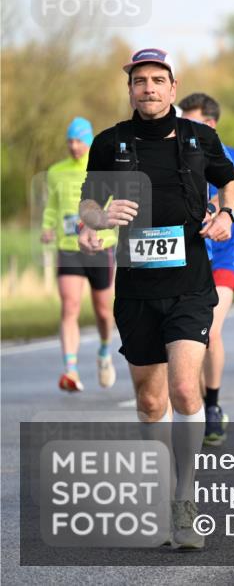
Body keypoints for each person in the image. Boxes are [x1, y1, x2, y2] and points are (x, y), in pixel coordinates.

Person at [78, 48, 234, 550]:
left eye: (157, 80)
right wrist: (99, 220)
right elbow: (87, 202)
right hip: (136, 289)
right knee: (150, 401)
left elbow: (233, 184)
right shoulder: (110, 143)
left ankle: (184, 500)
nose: (148, 88)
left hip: (191, 284)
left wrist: (227, 214)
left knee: (185, 391)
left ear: (172, 89)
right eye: (139, 81)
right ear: (130, 90)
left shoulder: (200, 138)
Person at [178, 93, 234, 447]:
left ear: (211, 124)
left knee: (209, 329)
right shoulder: (176, 152)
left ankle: (212, 406)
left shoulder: (232, 156)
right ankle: (190, 408)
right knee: (184, 340)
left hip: (223, 257)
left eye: (195, 122)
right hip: (188, 258)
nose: (188, 128)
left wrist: (217, 205)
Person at [41, 117, 118, 392]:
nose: (74, 146)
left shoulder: (100, 166)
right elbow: (52, 204)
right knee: (70, 305)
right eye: (70, 141)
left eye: (79, 141)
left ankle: (105, 351)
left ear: (89, 142)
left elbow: (111, 202)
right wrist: (48, 226)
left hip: (100, 245)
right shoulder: (56, 171)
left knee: (102, 311)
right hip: (69, 246)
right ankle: (70, 370)